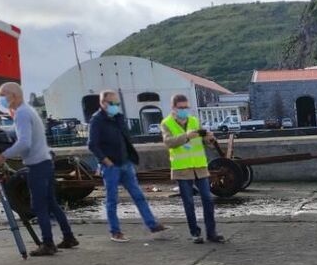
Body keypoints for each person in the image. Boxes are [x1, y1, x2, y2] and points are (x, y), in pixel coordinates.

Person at [0, 82, 77, 256]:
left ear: (14, 95)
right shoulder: (26, 111)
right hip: (45, 162)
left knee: (39, 206)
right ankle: (69, 237)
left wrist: (3, 156)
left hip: (37, 166)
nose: (1, 99)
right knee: (52, 203)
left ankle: (48, 244)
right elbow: (18, 131)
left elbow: (24, 142)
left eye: (3, 95)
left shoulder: (22, 113)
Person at [87, 90, 167, 242]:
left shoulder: (118, 117)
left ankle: (152, 225)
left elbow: (125, 138)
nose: (116, 107)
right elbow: (92, 144)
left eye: (117, 104)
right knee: (112, 200)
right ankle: (115, 231)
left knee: (139, 196)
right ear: (103, 104)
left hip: (125, 163)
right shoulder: (97, 121)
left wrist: (129, 157)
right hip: (111, 166)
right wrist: (105, 160)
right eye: (113, 104)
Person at [160, 95, 224, 243]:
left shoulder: (194, 121)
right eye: (181, 108)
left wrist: (209, 138)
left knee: (208, 199)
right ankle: (195, 233)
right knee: (188, 202)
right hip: (182, 169)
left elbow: (204, 142)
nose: (184, 110)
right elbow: (169, 142)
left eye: (186, 107)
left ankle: (211, 233)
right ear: (173, 108)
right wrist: (186, 136)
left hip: (200, 167)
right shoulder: (166, 123)